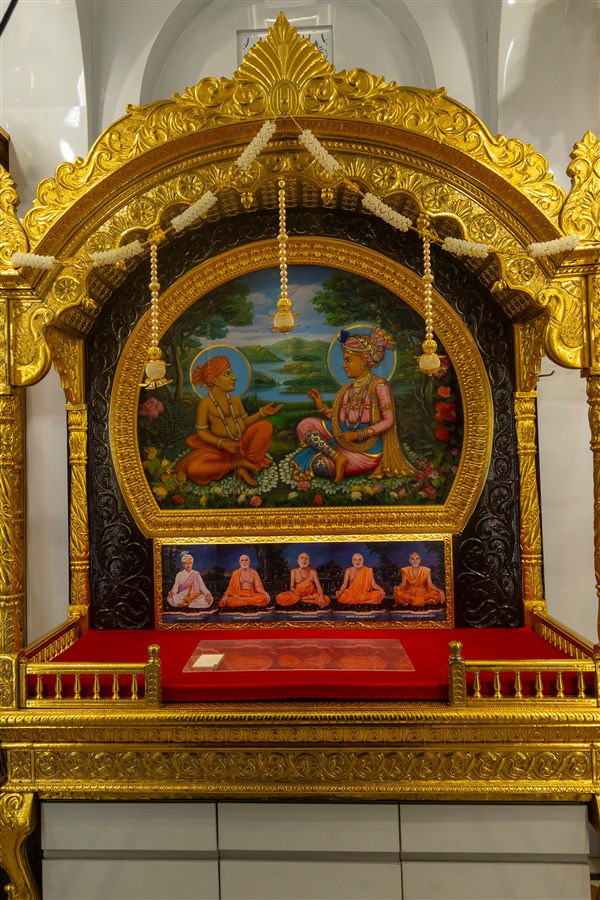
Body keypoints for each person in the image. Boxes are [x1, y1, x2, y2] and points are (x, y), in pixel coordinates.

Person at [292, 327, 415, 483]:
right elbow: (338, 421)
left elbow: (388, 420)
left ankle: (334, 457)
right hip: (342, 435)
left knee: (320, 465)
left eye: (348, 360)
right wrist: (322, 406)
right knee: (305, 424)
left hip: (367, 448)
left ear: (363, 361)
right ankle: (336, 456)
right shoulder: (347, 389)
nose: (343, 365)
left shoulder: (379, 386)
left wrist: (358, 435)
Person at [176, 355, 282, 487]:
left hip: (241, 443)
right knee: (194, 469)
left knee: (265, 426)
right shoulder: (205, 404)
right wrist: (221, 443)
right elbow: (201, 432)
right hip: (220, 449)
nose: (234, 378)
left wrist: (261, 413)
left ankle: (243, 462)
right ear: (215, 380)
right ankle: (237, 465)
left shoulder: (235, 400)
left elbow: (244, 422)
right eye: (228, 374)